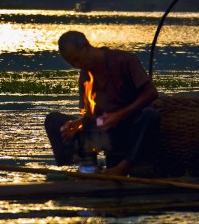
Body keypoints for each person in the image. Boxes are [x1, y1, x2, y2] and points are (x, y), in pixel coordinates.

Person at [45, 30, 160, 176]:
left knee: (150, 115)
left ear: (86, 48)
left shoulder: (124, 60)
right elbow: (91, 116)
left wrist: (119, 115)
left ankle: (124, 167)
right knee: (53, 120)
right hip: (104, 129)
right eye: (71, 63)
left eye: (77, 59)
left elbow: (151, 93)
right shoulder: (85, 74)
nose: (76, 65)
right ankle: (78, 166)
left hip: (128, 126)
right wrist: (76, 124)